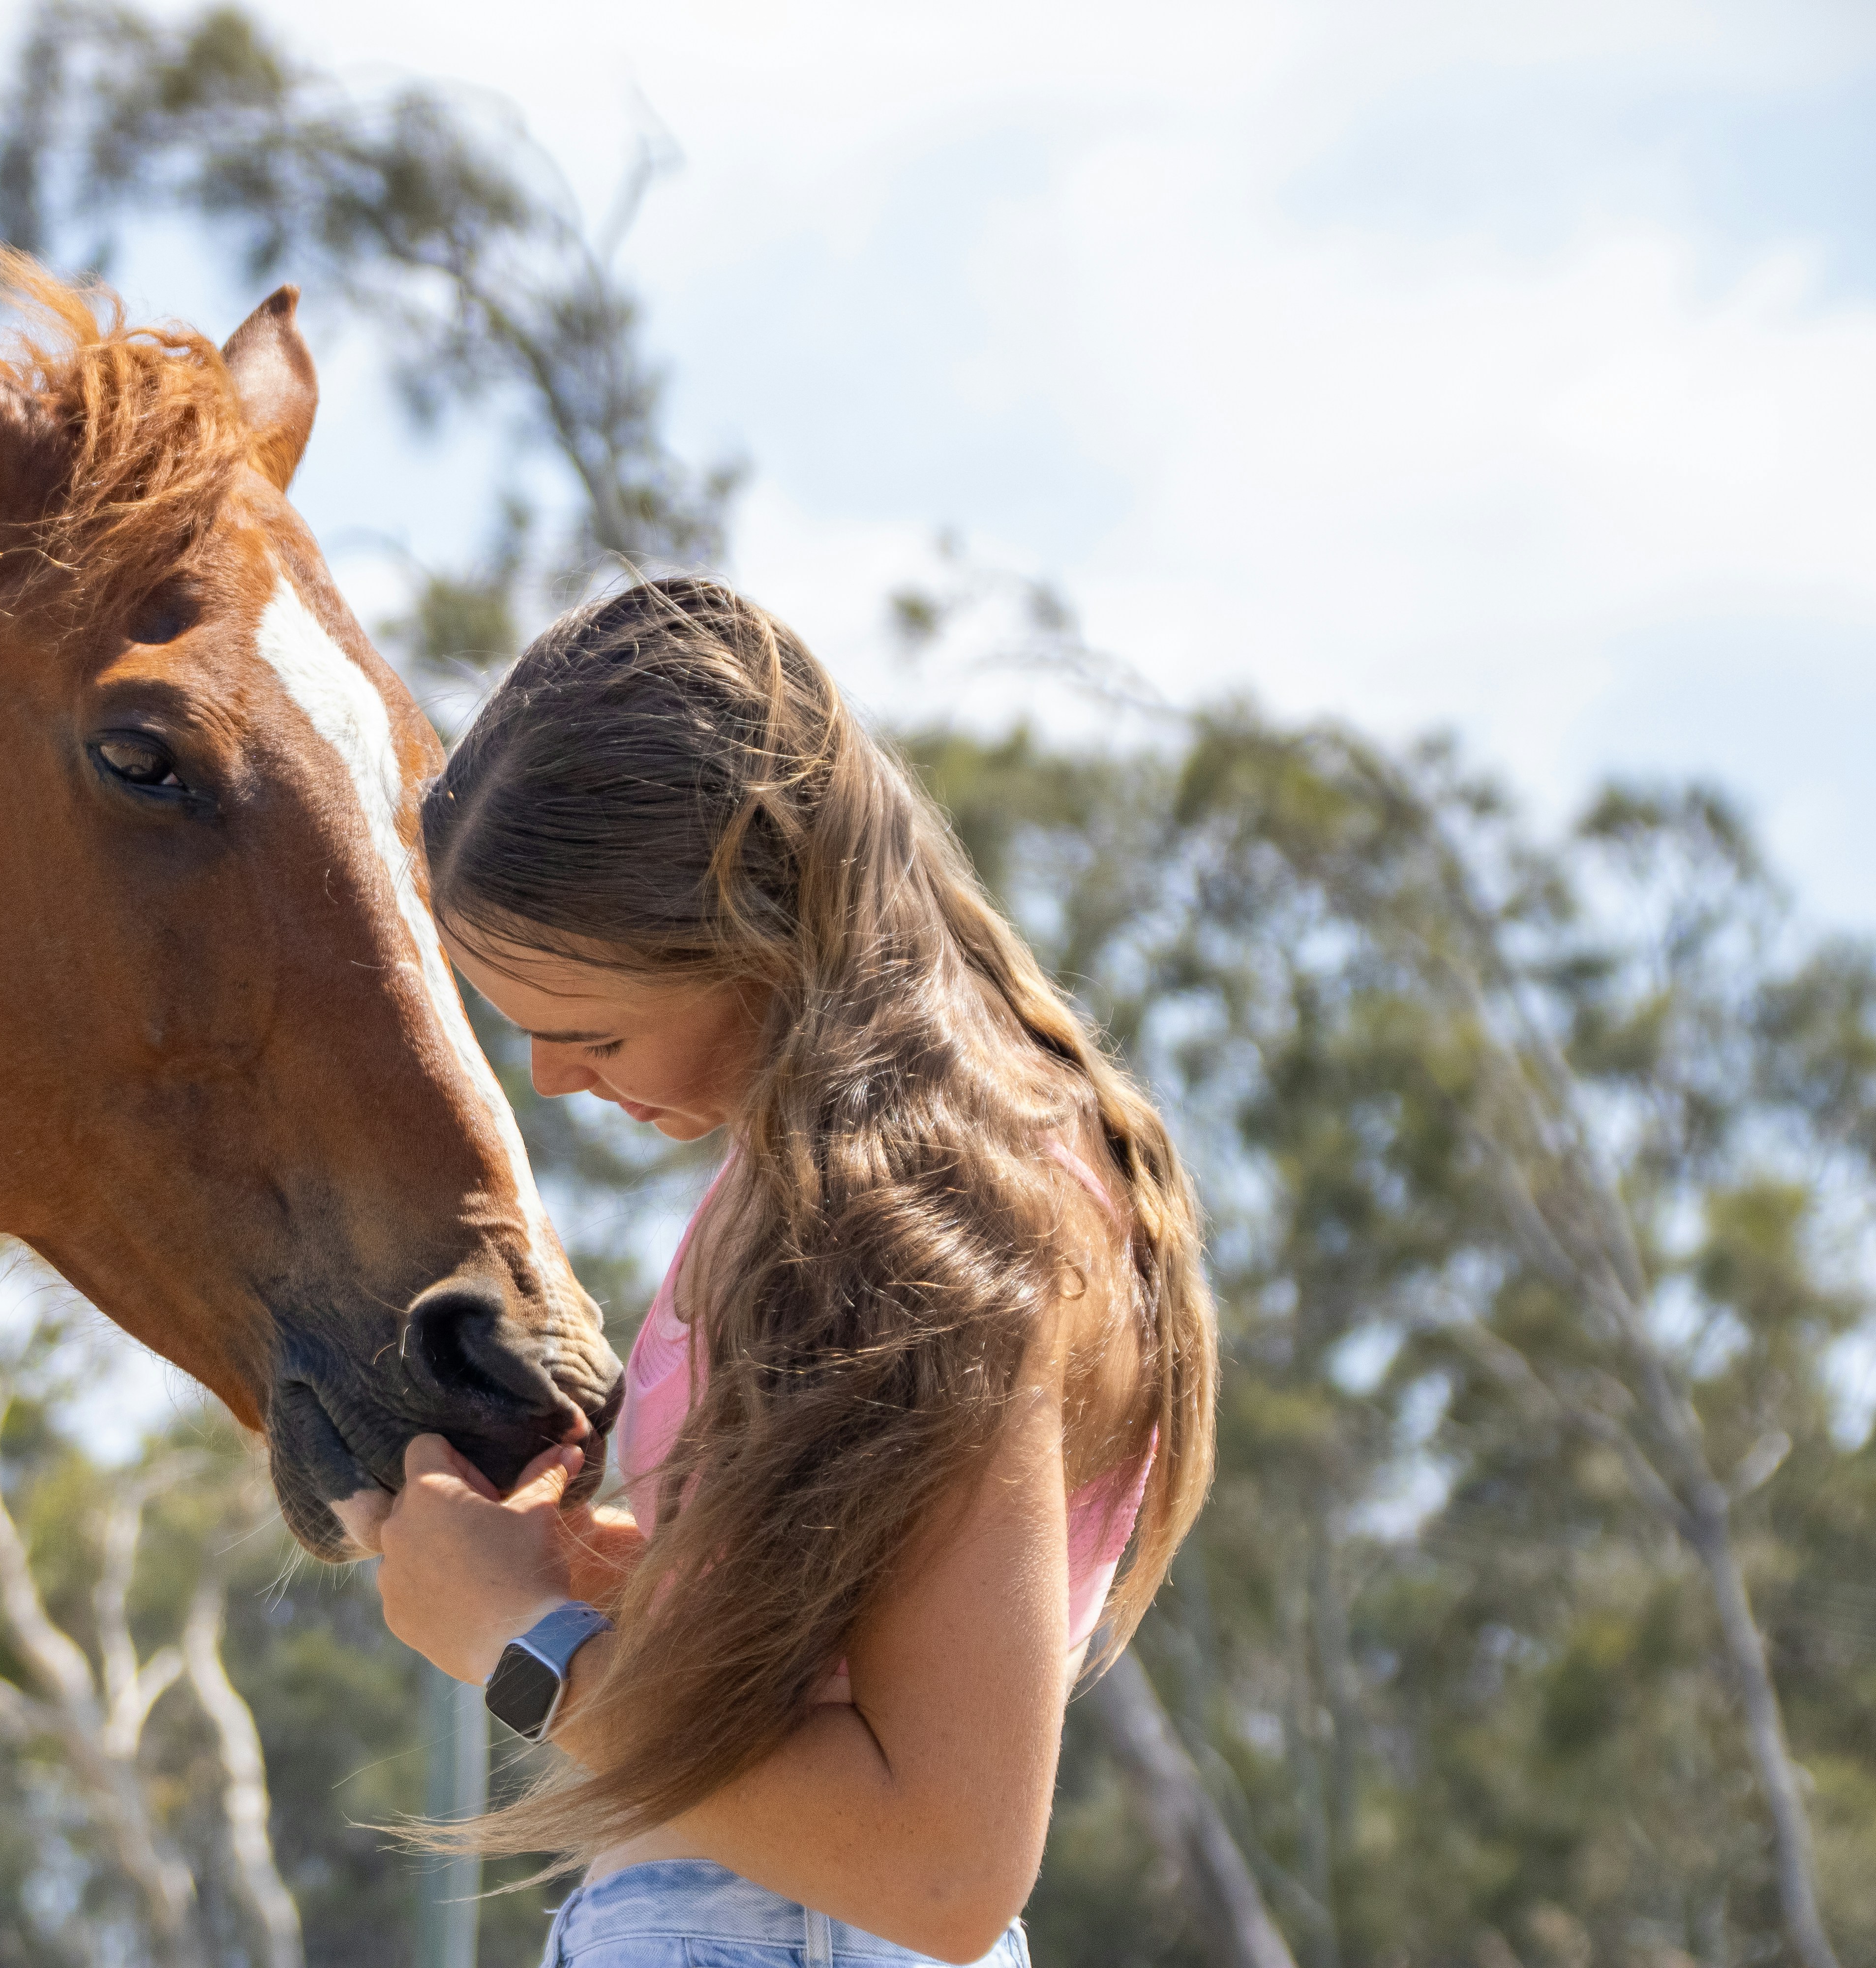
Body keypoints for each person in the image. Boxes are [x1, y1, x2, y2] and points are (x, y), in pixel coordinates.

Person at [333, 577, 1219, 1968]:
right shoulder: (841, 1194)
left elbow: (939, 1868)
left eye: (597, 1035)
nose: (555, 1083)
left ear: (757, 927)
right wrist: (593, 1569)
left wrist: (518, 1634)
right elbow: (845, 1672)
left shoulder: (932, 1227)